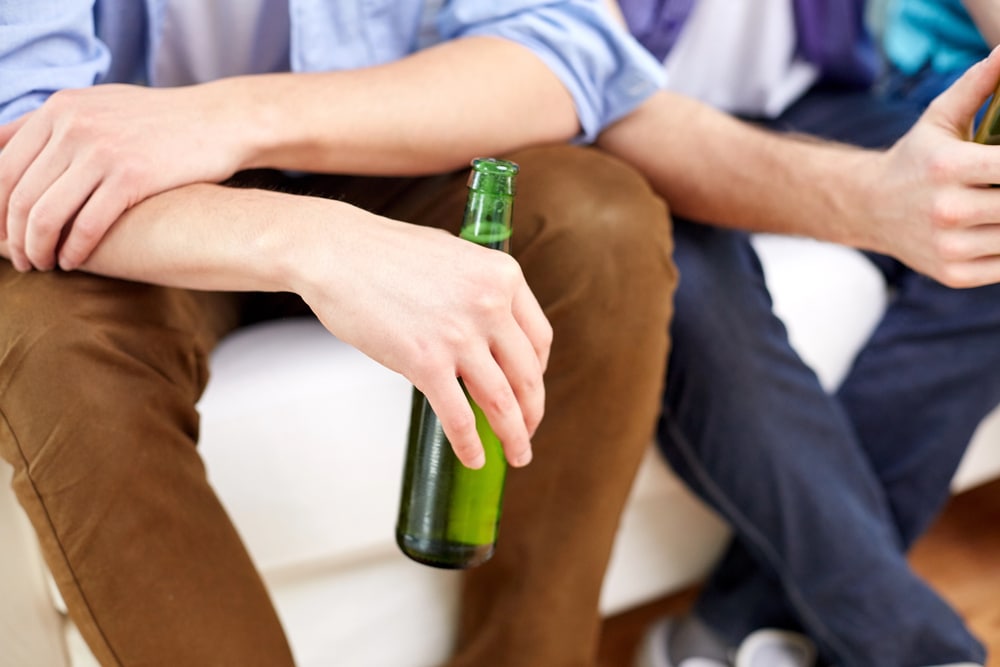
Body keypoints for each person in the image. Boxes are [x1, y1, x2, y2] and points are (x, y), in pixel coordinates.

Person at [0, 3, 679, 666]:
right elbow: (18, 157)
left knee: (600, 224)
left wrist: (232, 117)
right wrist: (317, 244)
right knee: (48, 340)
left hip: (374, 157)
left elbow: (561, 47)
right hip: (141, 212)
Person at [591, 0, 1000, 665]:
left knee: (990, 233)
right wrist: (875, 198)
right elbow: (594, 81)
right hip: (617, 121)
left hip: (804, 97)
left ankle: (738, 617)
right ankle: (918, 648)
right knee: (696, 302)